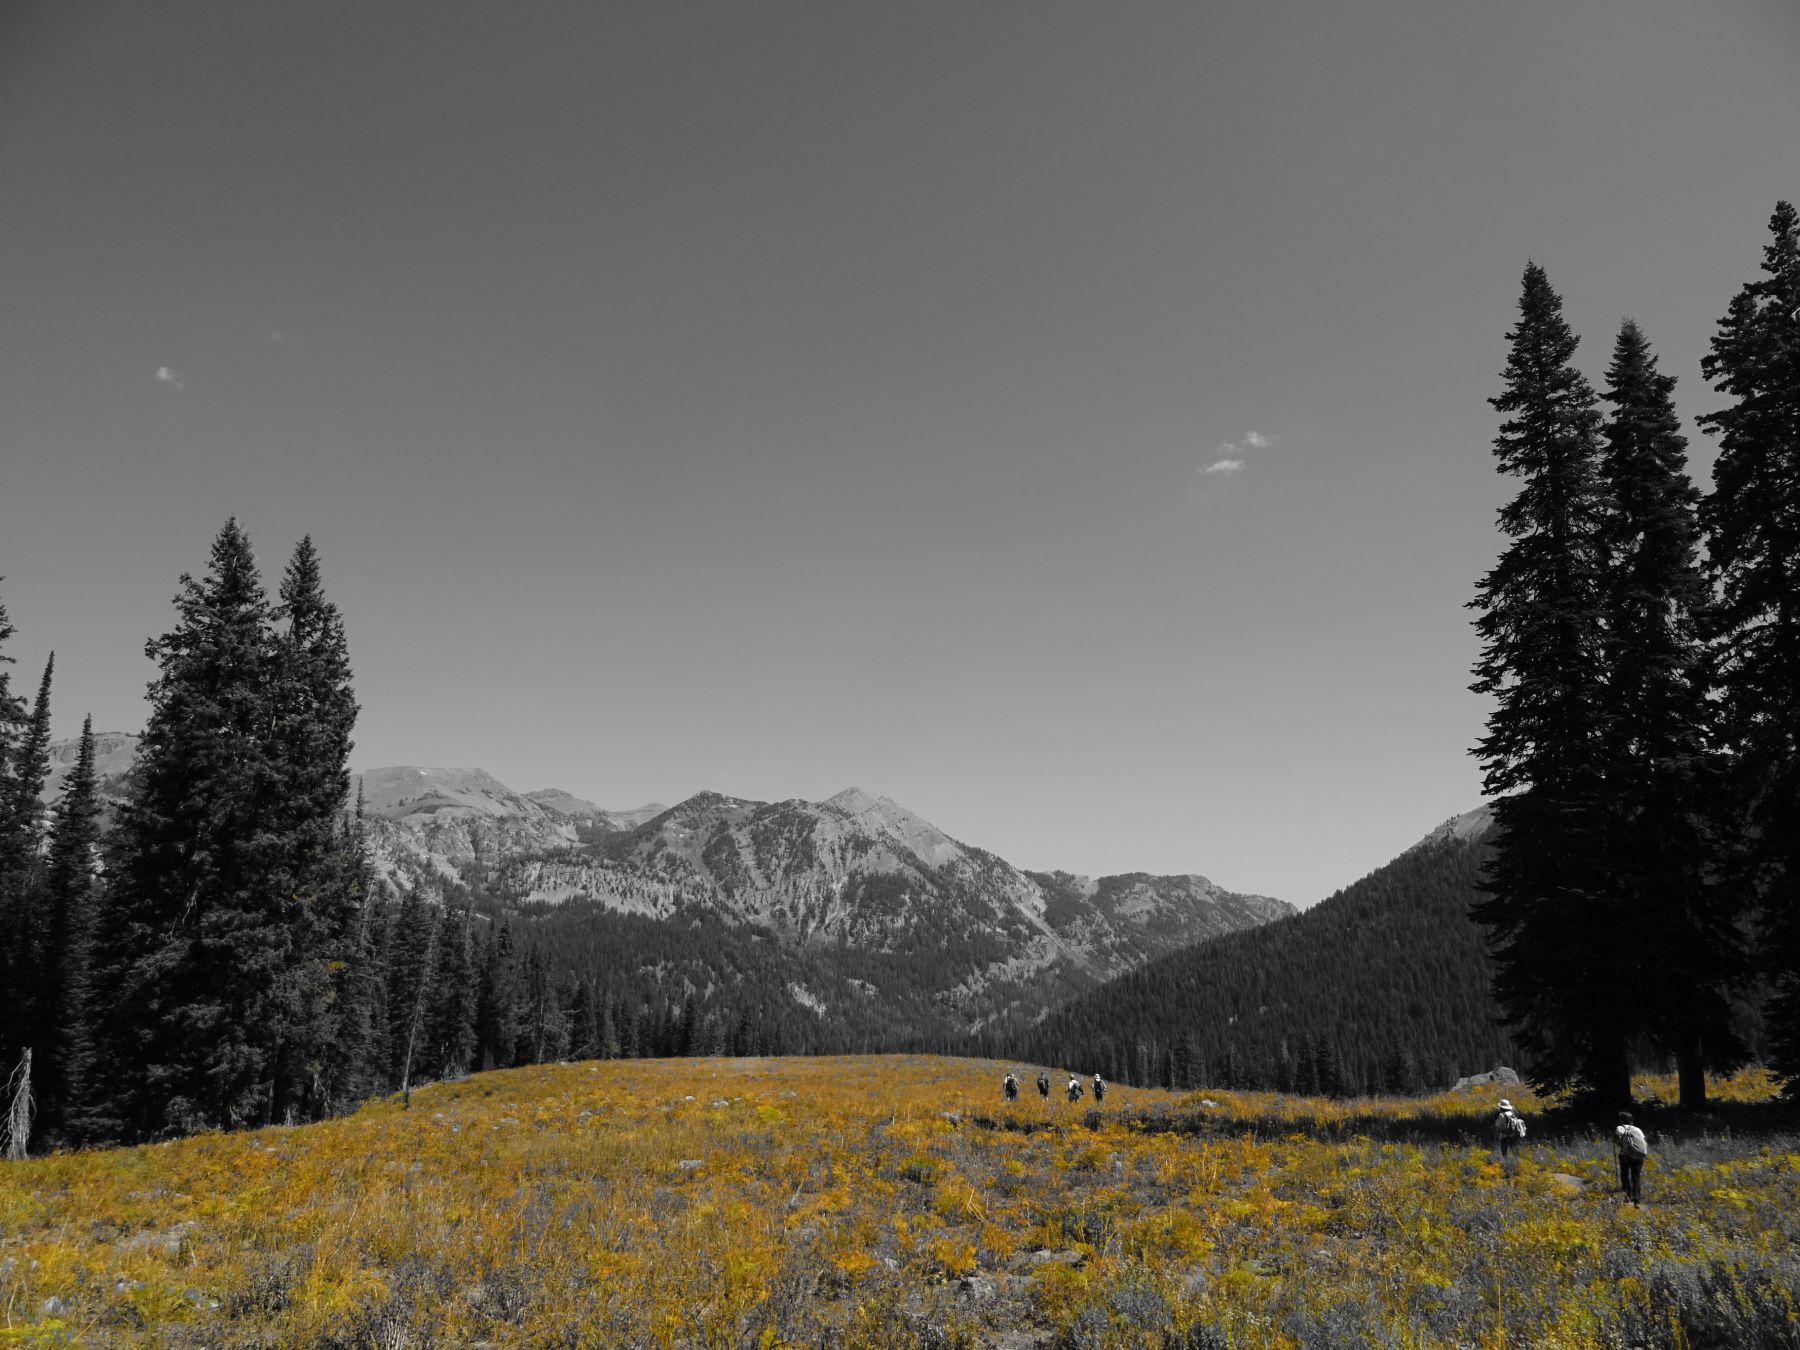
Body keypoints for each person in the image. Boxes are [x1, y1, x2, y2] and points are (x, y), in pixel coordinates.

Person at [1615, 1111, 1648, 1204]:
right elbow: (1644, 1143)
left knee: (1624, 1174)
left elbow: (1618, 1141)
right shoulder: (1637, 1130)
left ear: (1621, 1120)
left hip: (1625, 1155)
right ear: (1631, 1120)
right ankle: (1637, 1199)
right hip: (1638, 1155)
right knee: (1636, 1177)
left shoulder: (1620, 1128)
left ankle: (1627, 1195)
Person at [1493, 1098, 1526, 1174]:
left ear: (1501, 1107)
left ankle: (1506, 1166)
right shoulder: (1512, 1113)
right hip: (1514, 1135)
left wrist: (1496, 1136)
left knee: (1504, 1151)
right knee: (1514, 1150)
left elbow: (1498, 1126)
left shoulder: (1501, 1115)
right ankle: (1516, 1165)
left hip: (1505, 1136)